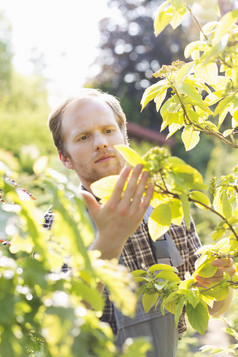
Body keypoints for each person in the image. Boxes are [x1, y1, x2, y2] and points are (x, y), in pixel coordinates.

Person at [48, 88, 235, 357]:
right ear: (65, 157)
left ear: (124, 137)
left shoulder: (165, 206)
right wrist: (107, 247)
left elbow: (211, 306)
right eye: (83, 136)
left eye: (108, 130)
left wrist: (220, 282)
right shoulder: (58, 224)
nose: (101, 142)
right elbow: (58, 328)